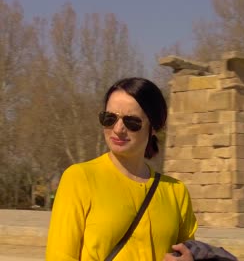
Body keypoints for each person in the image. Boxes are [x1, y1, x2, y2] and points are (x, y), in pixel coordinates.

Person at [46, 77, 197, 261]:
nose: (118, 129)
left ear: (154, 127)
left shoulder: (176, 192)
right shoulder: (79, 178)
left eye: (132, 122)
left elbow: (187, 252)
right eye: (109, 118)